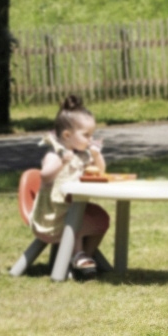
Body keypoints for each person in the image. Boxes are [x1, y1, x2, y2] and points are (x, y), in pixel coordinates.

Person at [29, 95, 111, 280]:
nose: (90, 139)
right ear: (67, 135)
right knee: (77, 219)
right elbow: (45, 176)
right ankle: (78, 255)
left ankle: (84, 256)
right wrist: (62, 162)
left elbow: (100, 171)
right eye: (86, 135)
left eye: (92, 135)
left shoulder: (81, 156)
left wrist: (97, 156)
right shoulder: (55, 155)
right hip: (52, 216)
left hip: (71, 209)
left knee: (101, 218)